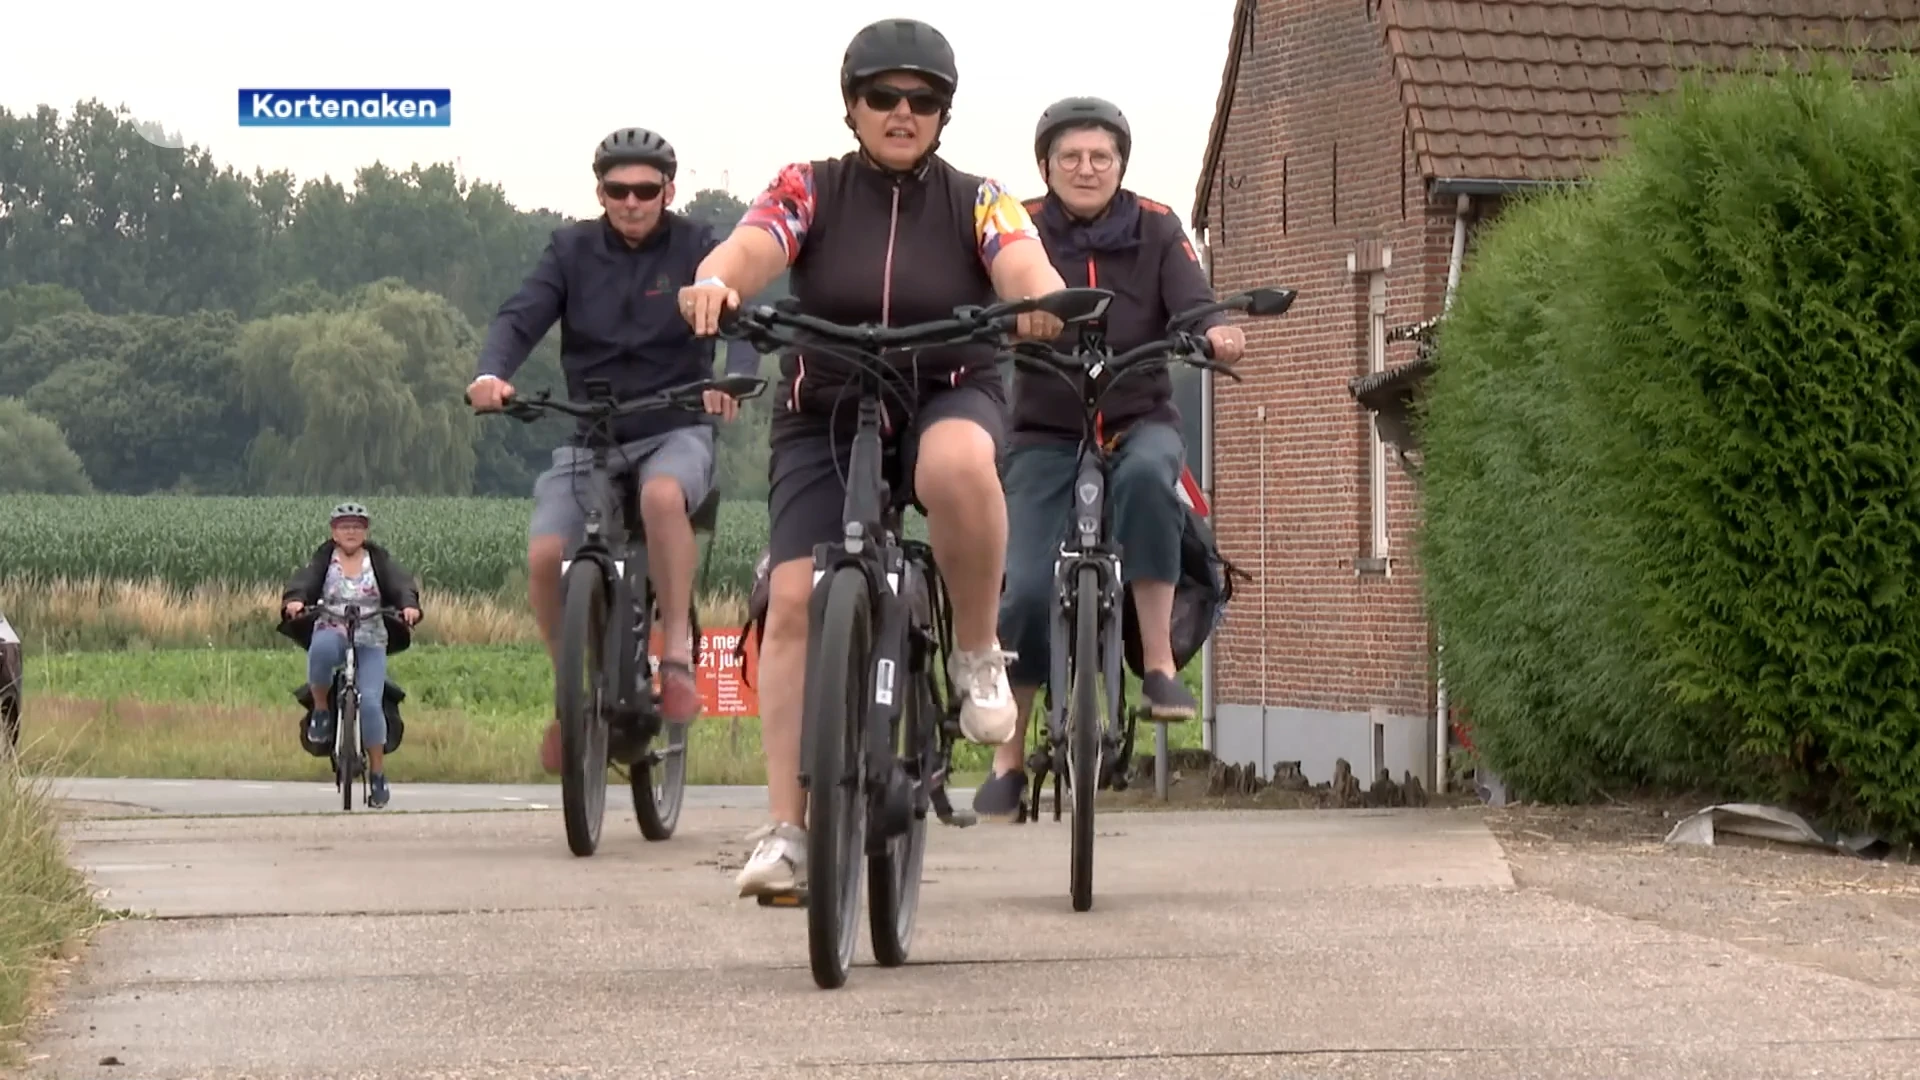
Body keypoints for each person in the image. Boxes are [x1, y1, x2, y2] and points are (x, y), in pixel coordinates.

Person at [678, 18, 1071, 896]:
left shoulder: (978, 198)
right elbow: (753, 244)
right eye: (882, 96)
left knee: (959, 467)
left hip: (948, 385)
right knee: (790, 599)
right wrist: (718, 281)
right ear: (852, 108)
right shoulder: (808, 187)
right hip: (826, 401)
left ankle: (975, 652)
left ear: (943, 114)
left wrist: (1042, 302)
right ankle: (787, 832)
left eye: (923, 99)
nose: (902, 112)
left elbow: (1023, 261)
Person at [974, 97, 1247, 820]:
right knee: (1027, 586)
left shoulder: (1156, 225)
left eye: (1101, 156)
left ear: (1121, 164)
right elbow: (983, 300)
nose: (1086, 168)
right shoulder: (1019, 225)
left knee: (1157, 481)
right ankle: (1009, 755)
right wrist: (1002, 326)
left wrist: (1215, 330)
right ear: (1046, 166)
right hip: (1044, 428)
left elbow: (1193, 301)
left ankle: (1156, 666)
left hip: (1135, 417)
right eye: (1071, 157)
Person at [466, 127, 758, 773]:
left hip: (676, 424)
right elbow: (521, 316)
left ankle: (676, 652)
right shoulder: (569, 250)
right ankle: (571, 694)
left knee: (660, 498)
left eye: (645, 190)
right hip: (591, 431)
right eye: (616, 190)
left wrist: (731, 376)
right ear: (598, 191)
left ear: (668, 190)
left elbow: (736, 309)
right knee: (547, 555)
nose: (630, 202)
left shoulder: (698, 245)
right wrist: (492, 374)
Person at [279, 503, 423, 809]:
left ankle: (378, 774)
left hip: (371, 636)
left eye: (357, 526)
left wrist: (408, 605)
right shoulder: (324, 559)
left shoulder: (377, 559)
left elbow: (400, 585)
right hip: (332, 626)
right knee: (319, 652)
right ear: (334, 531)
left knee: (371, 702)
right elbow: (303, 582)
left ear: (365, 531)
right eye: (344, 526)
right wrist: (295, 601)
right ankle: (320, 711)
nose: (351, 532)